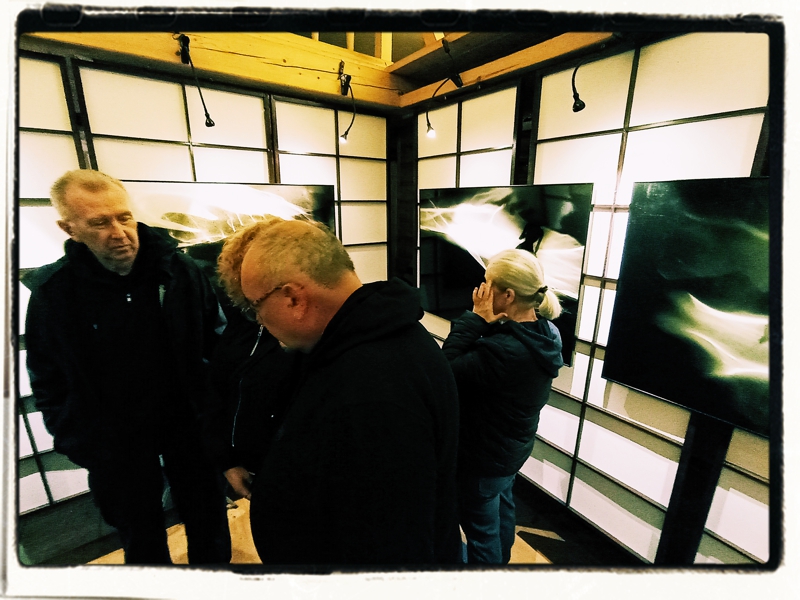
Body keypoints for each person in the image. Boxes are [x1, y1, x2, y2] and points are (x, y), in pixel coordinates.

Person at [24, 169, 231, 565]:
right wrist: (78, 440)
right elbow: (47, 378)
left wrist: (217, 413)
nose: (118, 232)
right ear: (69, 228)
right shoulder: (55, 293)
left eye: (124, 217)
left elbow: (217, 342)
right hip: (113, 438)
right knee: (139, 535)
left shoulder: (180, 271)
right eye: (99, 223)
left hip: (188, 422)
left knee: (208, 520)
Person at [234, 217, 462, 565]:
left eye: (255, 306)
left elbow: (391, 553)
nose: (259, 321)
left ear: (293, 299)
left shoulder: (373, 395)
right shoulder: (372, 338)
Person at [441, 248, 564, 565]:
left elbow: (445, 371)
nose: (481, 290)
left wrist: (475, 318)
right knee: (501, 510)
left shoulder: (504, 350)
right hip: (508, 450)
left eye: (487, 283)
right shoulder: (546, 333)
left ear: (508, 295)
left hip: (482, 457)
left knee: (481, 533)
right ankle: (503, 558)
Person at [205, 219, 298, 501]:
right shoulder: (241, 327)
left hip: (298, 476)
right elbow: (216, 394)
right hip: (249, 471)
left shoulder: (307, 331)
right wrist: (227, 462)